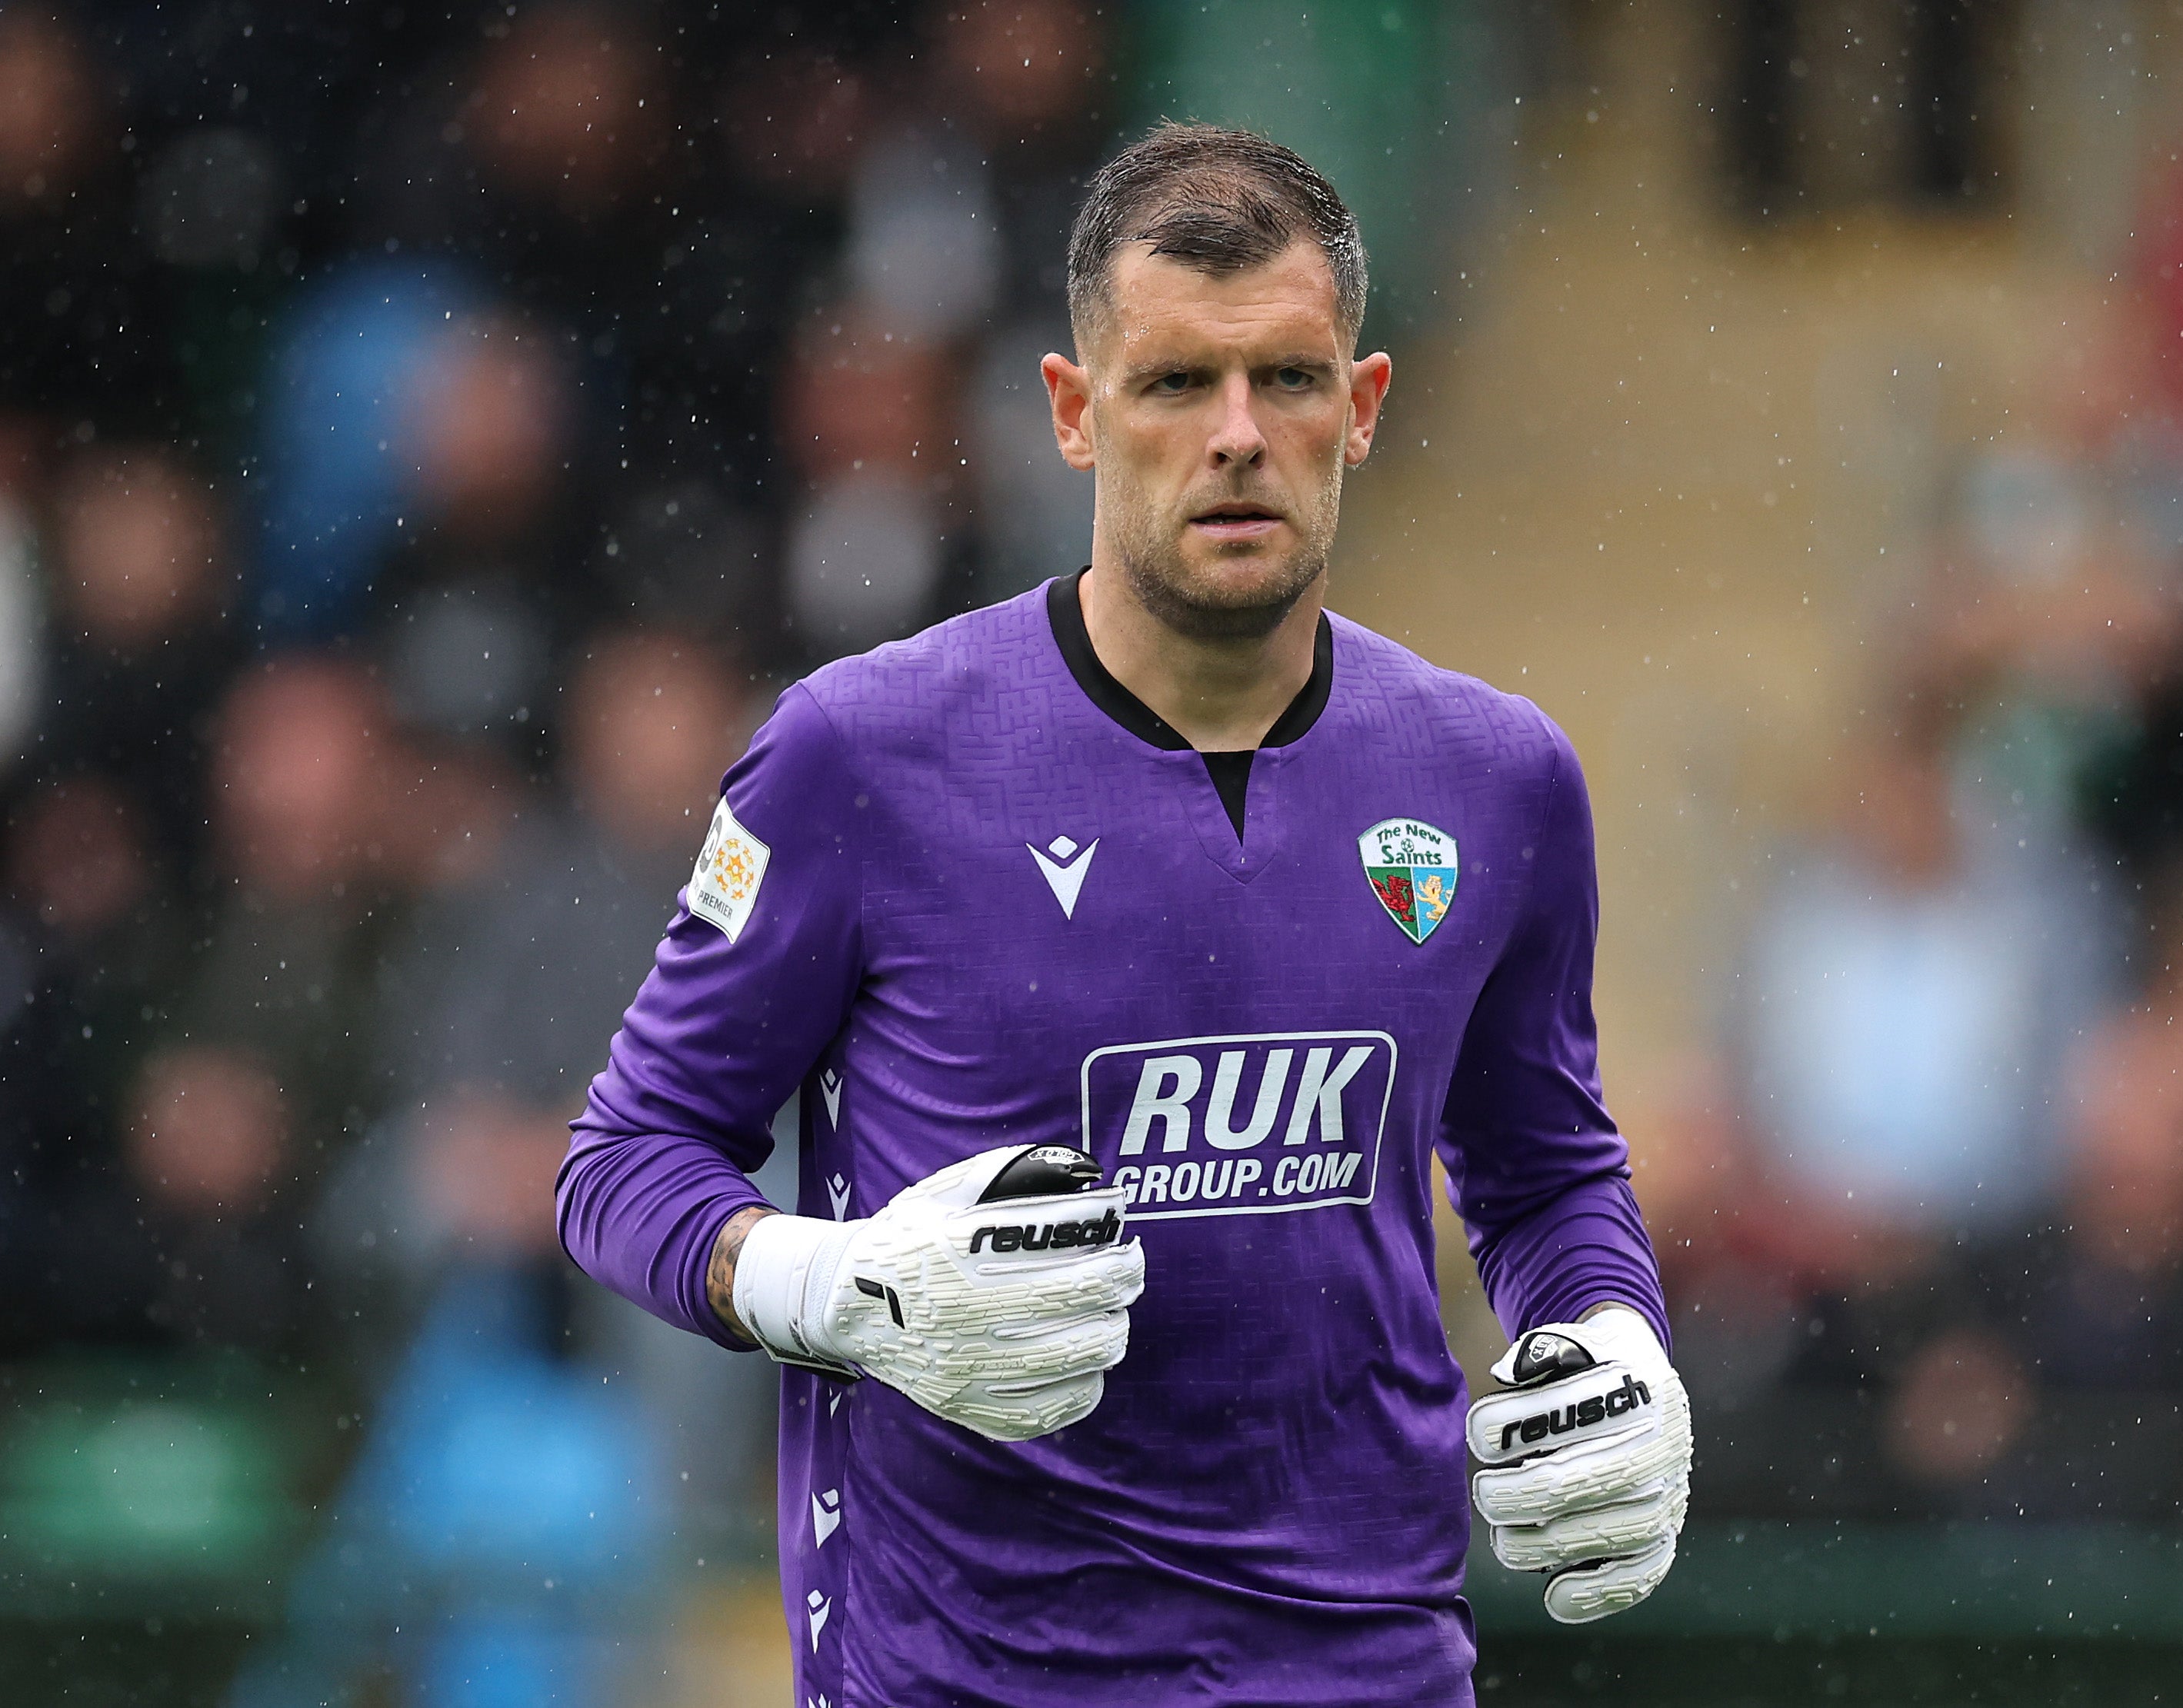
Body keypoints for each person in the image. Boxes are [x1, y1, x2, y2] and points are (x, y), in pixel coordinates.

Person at [555, 122, 1689, 1705]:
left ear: (1360, 409)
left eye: (1287, 379)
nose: (1237, 433)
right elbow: (623, 1165)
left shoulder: (1496, 780)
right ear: (1074, 416)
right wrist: (845, 1290)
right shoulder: (859, 753)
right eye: (1173, 383)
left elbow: (1543, 1170)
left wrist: (1619, 1342)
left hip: (1367, 1671)